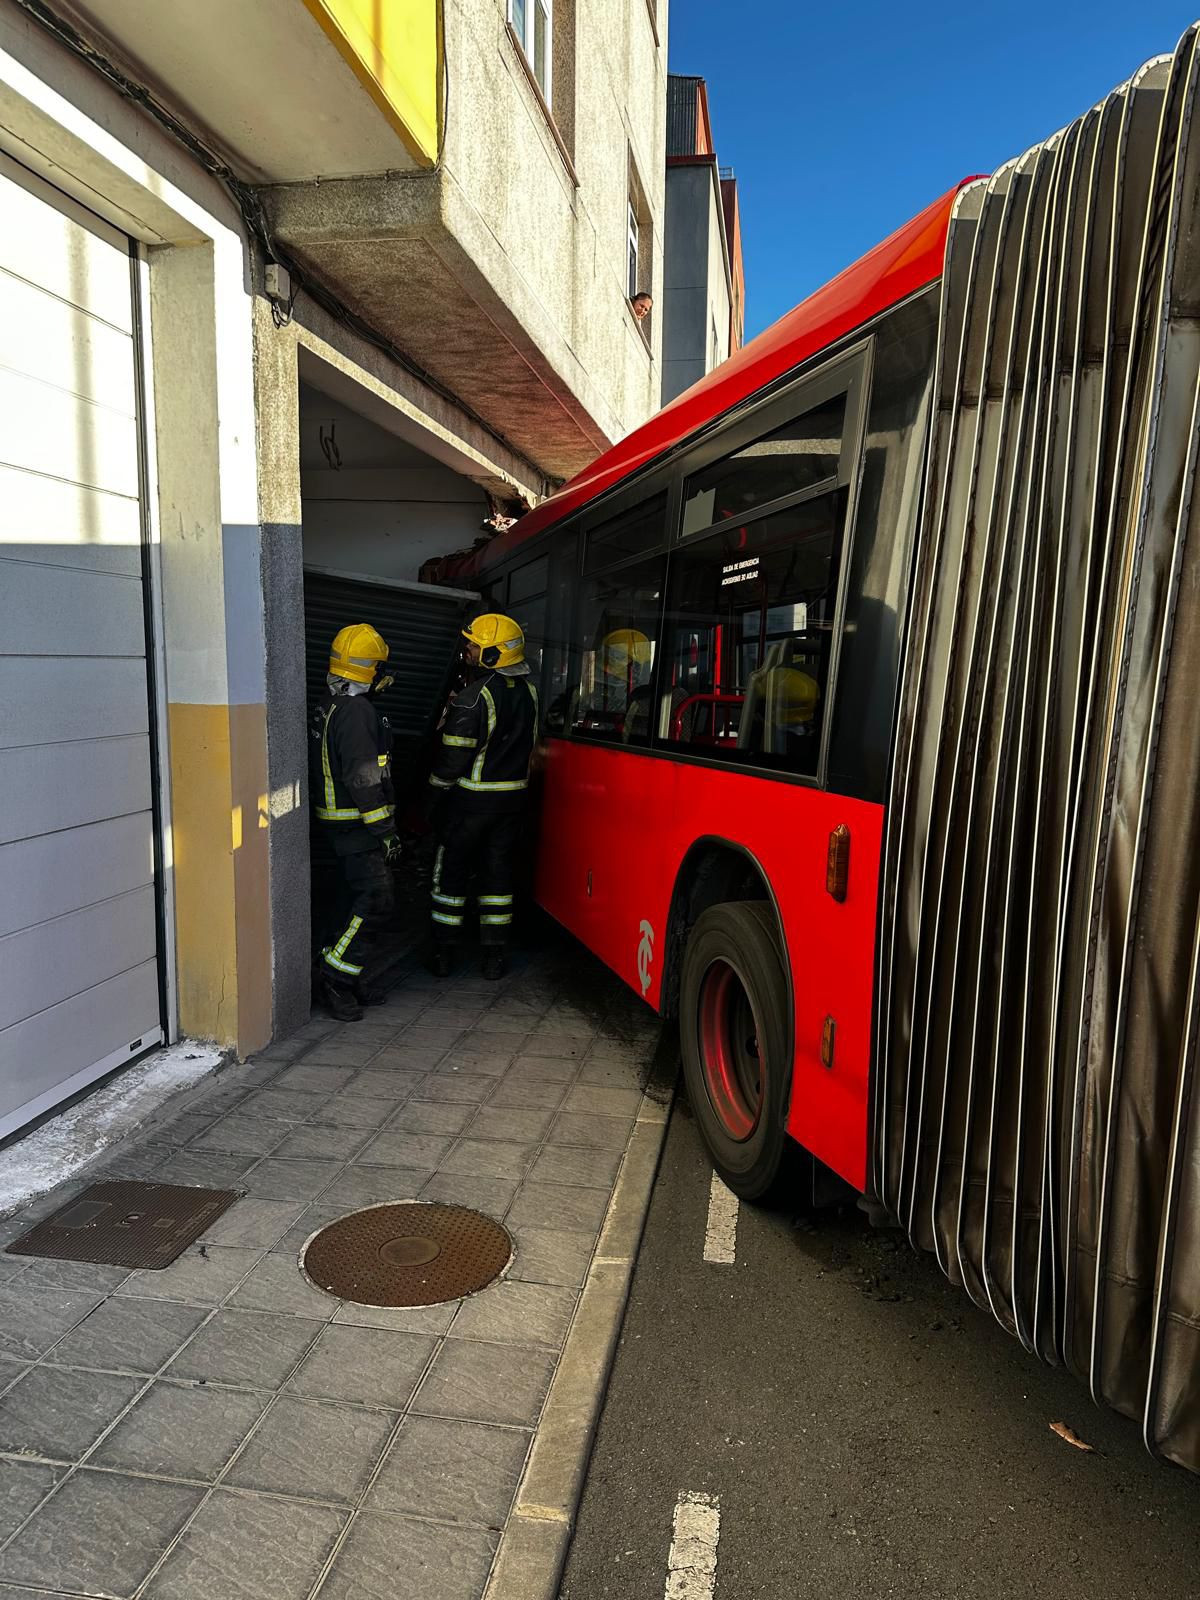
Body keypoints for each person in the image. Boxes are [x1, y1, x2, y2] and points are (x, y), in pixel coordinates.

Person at [426, 613, 538, 980]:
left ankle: (443, 953)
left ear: (493, 655)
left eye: (475, 645)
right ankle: (494, 957)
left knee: (451, 875)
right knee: (498, 876)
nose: (469, 650)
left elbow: (451, 760)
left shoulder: (475, 698)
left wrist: (433, 794)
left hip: (470, 805)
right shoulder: (531, 693)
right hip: (513, 804)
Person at [309, 623, 402, 1021]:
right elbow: (364, 779)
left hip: (337, 824)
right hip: (356, 826)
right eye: (379, 668)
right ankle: (336, 978)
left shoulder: (329, 705)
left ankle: (346, 970)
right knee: (378, 901)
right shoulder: (357, 711)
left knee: (349, 902)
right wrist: (387, 833)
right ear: (370, 671)